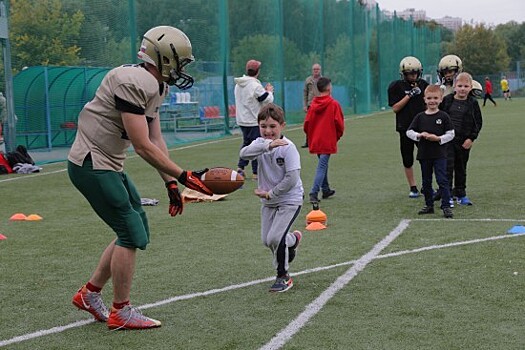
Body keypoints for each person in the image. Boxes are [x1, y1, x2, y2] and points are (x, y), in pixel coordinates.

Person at [67, 26, 213, 330]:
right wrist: (185, 176)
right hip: (91, 163)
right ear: (165, 59)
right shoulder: (133, 81)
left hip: (109, 163)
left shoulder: (156, 85)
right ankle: (121, 311)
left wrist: (170, 182)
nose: (183, 69)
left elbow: (156, 139)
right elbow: (142, 145)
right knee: (130, 232)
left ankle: (90, 294)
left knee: (135, 227)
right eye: (182, 62)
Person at [239, 103, 303, 293]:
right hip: (268, 202)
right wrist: (267, 145)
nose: (268, 131)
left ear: (282, 126)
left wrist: (271, 193)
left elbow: (292, 178)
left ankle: (283, 277)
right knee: (267, 241)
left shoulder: (288, 148)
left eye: (272, 127)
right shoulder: (260, 144)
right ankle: (293, 240)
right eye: (263, 126)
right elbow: (244, 153)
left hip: (289, 199)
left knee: (276, 237)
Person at [407, 85, 455, 218]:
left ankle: (446, 206)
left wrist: (438, 138)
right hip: (424, 155)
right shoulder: (420, 117)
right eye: (429, 98)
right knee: (426, 182)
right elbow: (409, 132)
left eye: (435, 98)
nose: (432, 101)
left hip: (440, 155)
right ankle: (429, 205)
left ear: (440, 99)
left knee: (442, 180)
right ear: (424, 99)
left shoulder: (444, 116)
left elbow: (451, 134)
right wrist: (419, 135)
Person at [387, 56, 429, 198]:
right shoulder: (396, 86)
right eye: (410, 73)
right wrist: (410, 95)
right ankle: (413, 187)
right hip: (405, 127)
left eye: (416, 73)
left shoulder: (424, 85)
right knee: (407, 158)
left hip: (422, 126)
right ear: (404, 74)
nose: (414, 76)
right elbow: (395, 108)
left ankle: (426, 185)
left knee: (426, 157)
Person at [439, 72, 483, 206]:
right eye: (460, 85)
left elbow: (478, 123)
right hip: (448, 141)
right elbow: (440, 117)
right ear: (454, 86)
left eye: (466, 86)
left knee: (461, 168)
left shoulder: (473, 103)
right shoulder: (447, 100)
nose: (463, 89)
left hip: (463, 142)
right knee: (447, 168)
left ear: (471, 87)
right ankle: (447, 196)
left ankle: (461, 194)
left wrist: (471, 138)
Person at [304, 77, 345, 203]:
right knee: (322, 166)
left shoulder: (313, 105)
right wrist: (335, 136)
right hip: (327, 139)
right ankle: (314, 192)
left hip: (316, 139)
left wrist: (312, 136)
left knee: (323, 164)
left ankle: (325, 189)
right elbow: (339, 124)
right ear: (328, 87)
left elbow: (307, 124)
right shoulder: (333, 104)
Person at [234, 59, 274, 180]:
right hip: (253, 120)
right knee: (257, 145)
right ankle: (256, 172)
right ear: (258, 71)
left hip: (242, 119)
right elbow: (266, 99)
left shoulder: (238, 84)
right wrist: (270, 91)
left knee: (247, 143)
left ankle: (241, 167)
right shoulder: (255, 85)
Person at [301, 63, 322, 148]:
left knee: (321, 124)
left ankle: (320, 141)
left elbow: (328, 92)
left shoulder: (323, 80)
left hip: (321, 104)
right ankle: (308, 142)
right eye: (314, 69)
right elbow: (305, 92)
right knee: (309, 124)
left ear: (320, 70)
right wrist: (305, 105)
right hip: (311, 105)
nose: (316, 71)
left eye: (317, 69)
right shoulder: (308, 80)